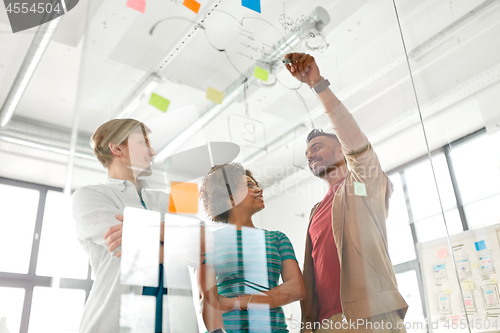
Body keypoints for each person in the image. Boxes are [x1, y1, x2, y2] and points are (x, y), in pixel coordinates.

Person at [284, 53, 408, 333]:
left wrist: (318, 85)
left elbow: (354, 141)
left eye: (317, 147)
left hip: (369, 318)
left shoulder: (361, 187)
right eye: (307, 153)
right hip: (325, 324)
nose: (310, 155)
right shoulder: (316, 211)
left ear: (341, 151)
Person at [72, 119, 172, 333]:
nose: (152, 152)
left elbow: (204, 242)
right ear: (117, 147)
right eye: (143, 143)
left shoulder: (166, 200)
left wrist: (141, 230)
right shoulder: (90, 196)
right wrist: (177, 234)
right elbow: (130, 248)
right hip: (112, 323)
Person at [197, 163, 305, 333]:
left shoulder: (277, 238)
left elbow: (296, 288)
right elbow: (206, 297)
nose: (259, 189)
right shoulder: (210, 241)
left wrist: (238, 302)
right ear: (229, 197)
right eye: (249, 185)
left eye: (256, 184)